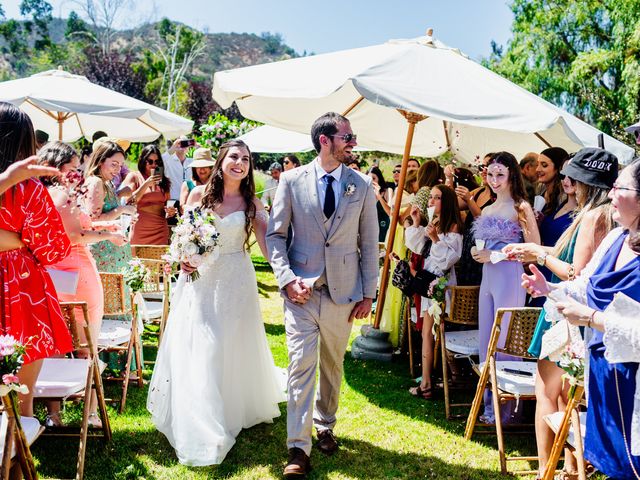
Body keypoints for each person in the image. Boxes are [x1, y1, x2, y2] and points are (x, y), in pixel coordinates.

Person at [147, 139, 284, 465]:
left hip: (236, 278)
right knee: (205, 343)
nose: (240, 162)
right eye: (235, 156)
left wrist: (285, 277)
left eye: (246, 159)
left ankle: (229, 406)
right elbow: (184, 234)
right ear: (222, 161)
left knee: (231, 342)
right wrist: (184, 258)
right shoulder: (198, 195)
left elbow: (267, 243)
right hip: (202, 280)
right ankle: (201, 416)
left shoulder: (251, 203)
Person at [266, 112, 378, 477]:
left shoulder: (361, 185)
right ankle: (298, 449)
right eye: (347, 136)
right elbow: (276, 237)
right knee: (300, 365)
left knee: (332, 365)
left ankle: (325, 423)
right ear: (324, 141)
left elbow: (368, 243)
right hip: (301, 293)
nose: (353, 142)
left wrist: (369, 294)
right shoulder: (292, 181)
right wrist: (286, 279)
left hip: (344, 294)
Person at [523, 157, 640, 479]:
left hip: (635, 382)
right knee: (614, 462)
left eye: (621, 188)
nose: (611, 194)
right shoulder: (617, 238)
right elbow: (584, 284)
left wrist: (591, 318)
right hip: (602, 372)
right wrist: (549, 289)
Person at [504, 148, 617, 478]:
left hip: (566, 312)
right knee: (570, 394)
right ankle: (569, 468)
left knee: (547, 392)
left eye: (573, 178)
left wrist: (538, 254)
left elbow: (574, 272)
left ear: (586, 184)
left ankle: (545, 470)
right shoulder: (610, 215)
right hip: (587, 314)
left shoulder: (595, 216)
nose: (568, 182)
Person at [39, 141, 127, 428]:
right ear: (57, 167)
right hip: (77, 272)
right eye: (74, 167)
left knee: (54, 343)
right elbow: (76, 236)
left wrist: (104, 227)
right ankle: (89, 413)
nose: (78, 172)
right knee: (86, 346)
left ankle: (54, 415)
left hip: (51, 272)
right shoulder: (64, 194)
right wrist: (107, 236)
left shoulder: (39, 194)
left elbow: (70, 228)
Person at [0, 102, 74, 417]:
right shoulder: (29, 189)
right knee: (22, 403)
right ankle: (16, 464)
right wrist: (19, 240)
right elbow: (55, 250)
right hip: (22, 287)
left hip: (20, 285)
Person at [470, 151, 540, 423]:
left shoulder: (521, 207)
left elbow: (534, 250)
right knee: (486, 337)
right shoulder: (487, 208)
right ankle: (489, 405)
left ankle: (510, 410)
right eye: (490, 174)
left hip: (510, 276)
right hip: (488, 276)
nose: (494, 179)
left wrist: (498, 255)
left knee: (506, 339)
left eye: (500, 174)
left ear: (512, 174)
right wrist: (483, 255)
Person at [405, 184, 463, 399]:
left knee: (429, 333)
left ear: (445, 201)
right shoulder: (434, 223)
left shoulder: (453, 226)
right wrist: (418, 224)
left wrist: (437, 239)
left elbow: (449, 260)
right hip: (428, 282)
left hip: (440, 285)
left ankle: (427, 383)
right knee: (427, 332)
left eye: (436, 197)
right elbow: (418, 248)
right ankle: (429, 379)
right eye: (431, 197)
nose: (431, 201)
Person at [454, 154, 496, 286]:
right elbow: (452, 204)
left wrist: (469, 200)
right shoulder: (478, 191)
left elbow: (483, 222)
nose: (484, 170)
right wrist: (450, 179)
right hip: (468, 249)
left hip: (483, 251)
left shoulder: (499, 197)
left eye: (488, 166)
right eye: (482, 166)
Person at [121, 145, 175, 245]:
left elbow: (168, 205)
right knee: (138, 260)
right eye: (150, 161)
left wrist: (170, 211)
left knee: (160, 260)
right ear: (143, 161)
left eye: (157, 162)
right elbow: (129, 201)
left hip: (160, 230)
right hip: (140, 229)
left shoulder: (164, 181)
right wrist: (146, 184)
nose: (154, 165)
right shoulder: (134, 177)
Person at [536, 147, 567, 221]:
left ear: (558, 168)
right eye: (537, 164)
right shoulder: (540, 189)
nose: (537, 169)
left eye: (544, 165)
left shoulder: (564, 197)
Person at [163, 137, 194, 201]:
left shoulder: (192, 162)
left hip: (189, 200)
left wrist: (198, 147)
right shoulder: (168, 160)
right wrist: (173, 148)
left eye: (185, 143)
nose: (182, 146)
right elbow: (159, 161)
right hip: (172, 200)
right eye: (179, 143)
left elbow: (208, 163)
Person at [367, 166, 391, 242]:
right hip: (369, 226)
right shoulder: (365, 192)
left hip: (383, 227)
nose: (371, 181)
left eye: (374, 178)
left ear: (379, 179)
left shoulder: (387, 191)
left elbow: (390, 210)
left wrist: (378, 196)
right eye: (369, 178)